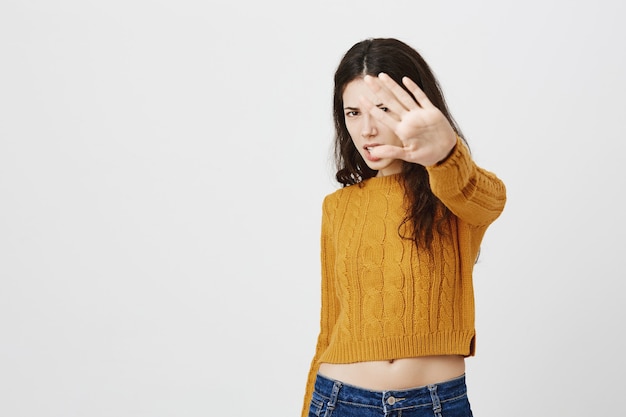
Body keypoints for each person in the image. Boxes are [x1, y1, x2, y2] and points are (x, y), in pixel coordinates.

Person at [302, 38, 507, 417]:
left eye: (383, 109)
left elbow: (490, 200)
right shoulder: (338, 206)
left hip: (434, 405)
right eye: (353, 113)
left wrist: (445, 156)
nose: (367, 129)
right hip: (339, 401)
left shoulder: (452, 190)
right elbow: (329, 327)